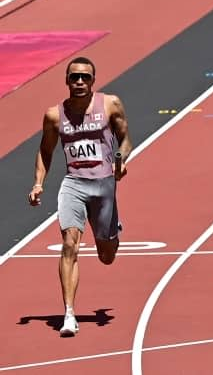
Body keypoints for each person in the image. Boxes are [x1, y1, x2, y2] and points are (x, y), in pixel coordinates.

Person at [28, 56, 132, 337]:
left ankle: (112, 232)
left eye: (85, 77)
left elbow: (124, 138)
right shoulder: (54, 115)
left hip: (104, 186)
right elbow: (45, 151)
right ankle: (69, 314)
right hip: (73, 184)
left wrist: (120, 159)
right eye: (74, 77)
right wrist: (39, 184)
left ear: (93, 81)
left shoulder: (110, 104)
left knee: (106, 255)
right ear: (66, 81)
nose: (80, 82)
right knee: (69, 244)